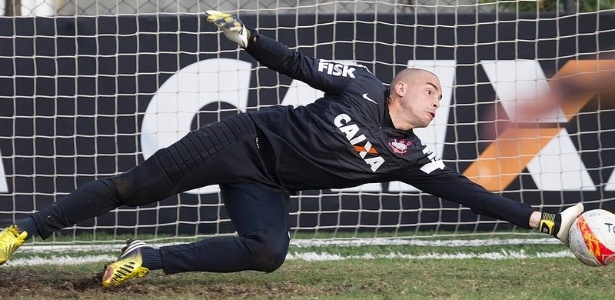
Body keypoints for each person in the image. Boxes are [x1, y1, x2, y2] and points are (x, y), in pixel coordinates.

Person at [0, 11, 584, 288]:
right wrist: (250, 40)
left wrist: (541, 219)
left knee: (267, 251)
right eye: (431, 90)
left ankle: (148, 258)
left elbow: (467, 191)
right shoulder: (358, 81)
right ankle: (22, 232)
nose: (438, 100)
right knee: (132, 189)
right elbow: (298, 65)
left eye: (441, 96)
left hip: (268, 183)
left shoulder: (410, 153)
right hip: (239, 140)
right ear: (400, 86)